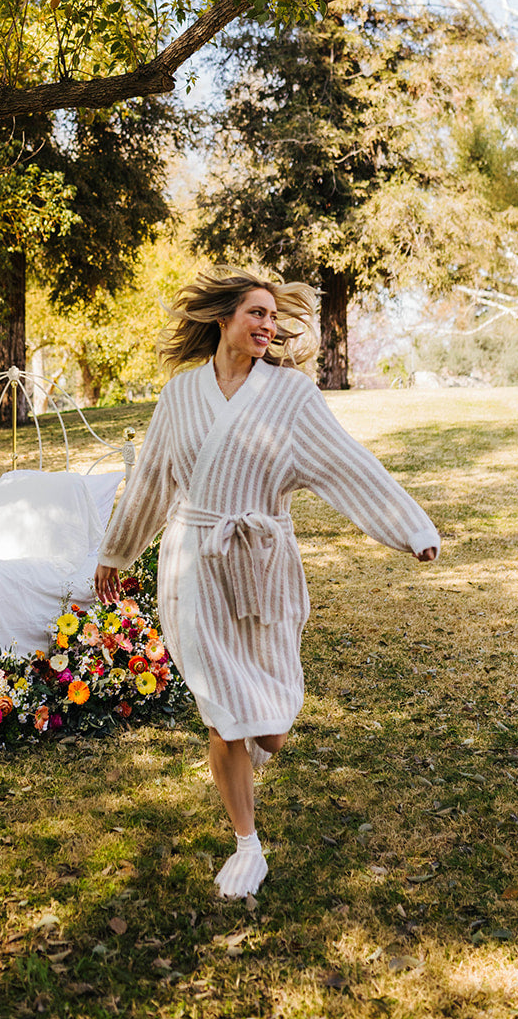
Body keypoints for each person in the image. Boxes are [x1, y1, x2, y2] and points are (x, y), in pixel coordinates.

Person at [94, 266, 439, 900]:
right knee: (227, 714)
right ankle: (247, 845)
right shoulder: (179, 396)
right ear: (223, 318)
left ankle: (240, 766)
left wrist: (410, 528)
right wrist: (116, 552)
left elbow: (347, 464)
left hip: (262, 565)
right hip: (193, 563)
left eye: (273, 317)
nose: (267, 325)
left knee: (271, 726)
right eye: (256, 313)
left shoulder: (292, 396)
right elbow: (151, 480)